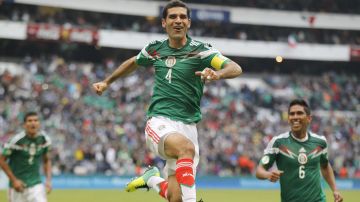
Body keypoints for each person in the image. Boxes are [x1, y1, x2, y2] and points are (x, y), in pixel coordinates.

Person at [92, 0, 242, 201]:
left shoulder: (202, 51)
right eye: (172, 17)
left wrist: (218, 74)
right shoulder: (155, 49)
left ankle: (152, 179)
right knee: (185, 148)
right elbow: (134, 62)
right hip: (160, 121)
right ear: (164, 23)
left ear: (189, 22)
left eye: (182, 17)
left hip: (188, 126)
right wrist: (107, 82)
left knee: (175, 197)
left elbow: (235, 67)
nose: (177, 21)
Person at [255, 99, 343, 202]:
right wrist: (268, 174)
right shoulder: (278, 142)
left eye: (299, 113)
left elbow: (325, 166)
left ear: (309, 118)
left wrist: (335, 190)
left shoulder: (320, 142)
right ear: (288, 119)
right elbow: (259, 171)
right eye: (292, 114)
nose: (295, 117)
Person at [0, 112, 52, 202]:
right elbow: (1, 160)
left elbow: (46, 160)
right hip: (18, 186)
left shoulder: (44, 139)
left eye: (36, 120)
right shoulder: (16, 140)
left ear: (39, 123)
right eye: (29, 121)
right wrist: (14, 180)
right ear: (24, 125)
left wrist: (48, 180)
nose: (33, 123)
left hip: (36, 184)